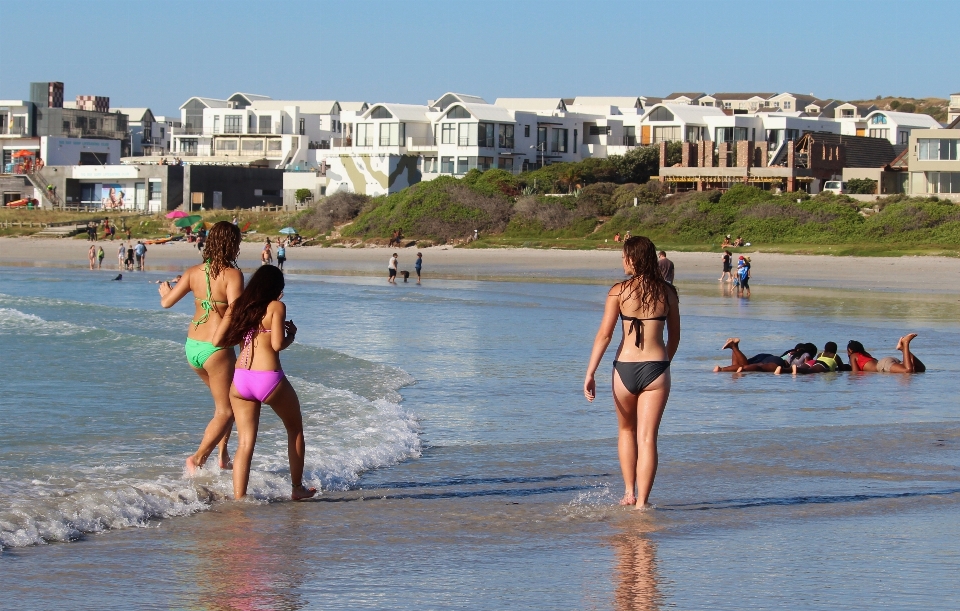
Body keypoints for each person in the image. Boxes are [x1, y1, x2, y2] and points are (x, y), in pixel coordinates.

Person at [584, 236, 681, 510]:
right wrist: (664, 364)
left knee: (626, 431)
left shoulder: (618, 291)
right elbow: (674, 337)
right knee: (648, 437)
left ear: (633, 259)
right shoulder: (668, 292)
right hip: (656, 368)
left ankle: (628, 493)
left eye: (625, 257)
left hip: (624, 369)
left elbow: (604, 335)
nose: (622, 261)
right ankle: (643, 503)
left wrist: (590, 372)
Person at [210, 265, 317, 501]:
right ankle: (297, 488)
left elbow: (217, 339)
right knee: (295, 429)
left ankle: (239, 498)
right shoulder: (276, 307)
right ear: (275, 288)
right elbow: (277, 345)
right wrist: (291, 336)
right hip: (268, 378)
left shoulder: (239, 306)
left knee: (245, 443)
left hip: (240, 381)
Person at [159, 222, 244, 472]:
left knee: (225, 403)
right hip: (215, 349)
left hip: (193, 347)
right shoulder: (233, 275)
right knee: (227, 411)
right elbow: (237, 315)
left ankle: (223, 455)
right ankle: (197, 459)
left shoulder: (193, 272)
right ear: (232, 245)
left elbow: (166, 304)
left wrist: (165, 291)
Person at [848, 335, 926, 373]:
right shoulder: (865, 354)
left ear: (850, 350)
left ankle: (906, 343)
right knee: (921, 369)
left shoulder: (853, 356)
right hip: (886, 361)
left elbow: (855, 373)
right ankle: (902, 349)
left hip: (883, 365)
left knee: (908, 370)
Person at [713, 338, 788, 374]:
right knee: (759, 367)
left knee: (740, 364)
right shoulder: (793, 355)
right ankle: (734, 347)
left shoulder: (790, 352)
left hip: (764, 356)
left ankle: (734, 346)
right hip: (776, 360)